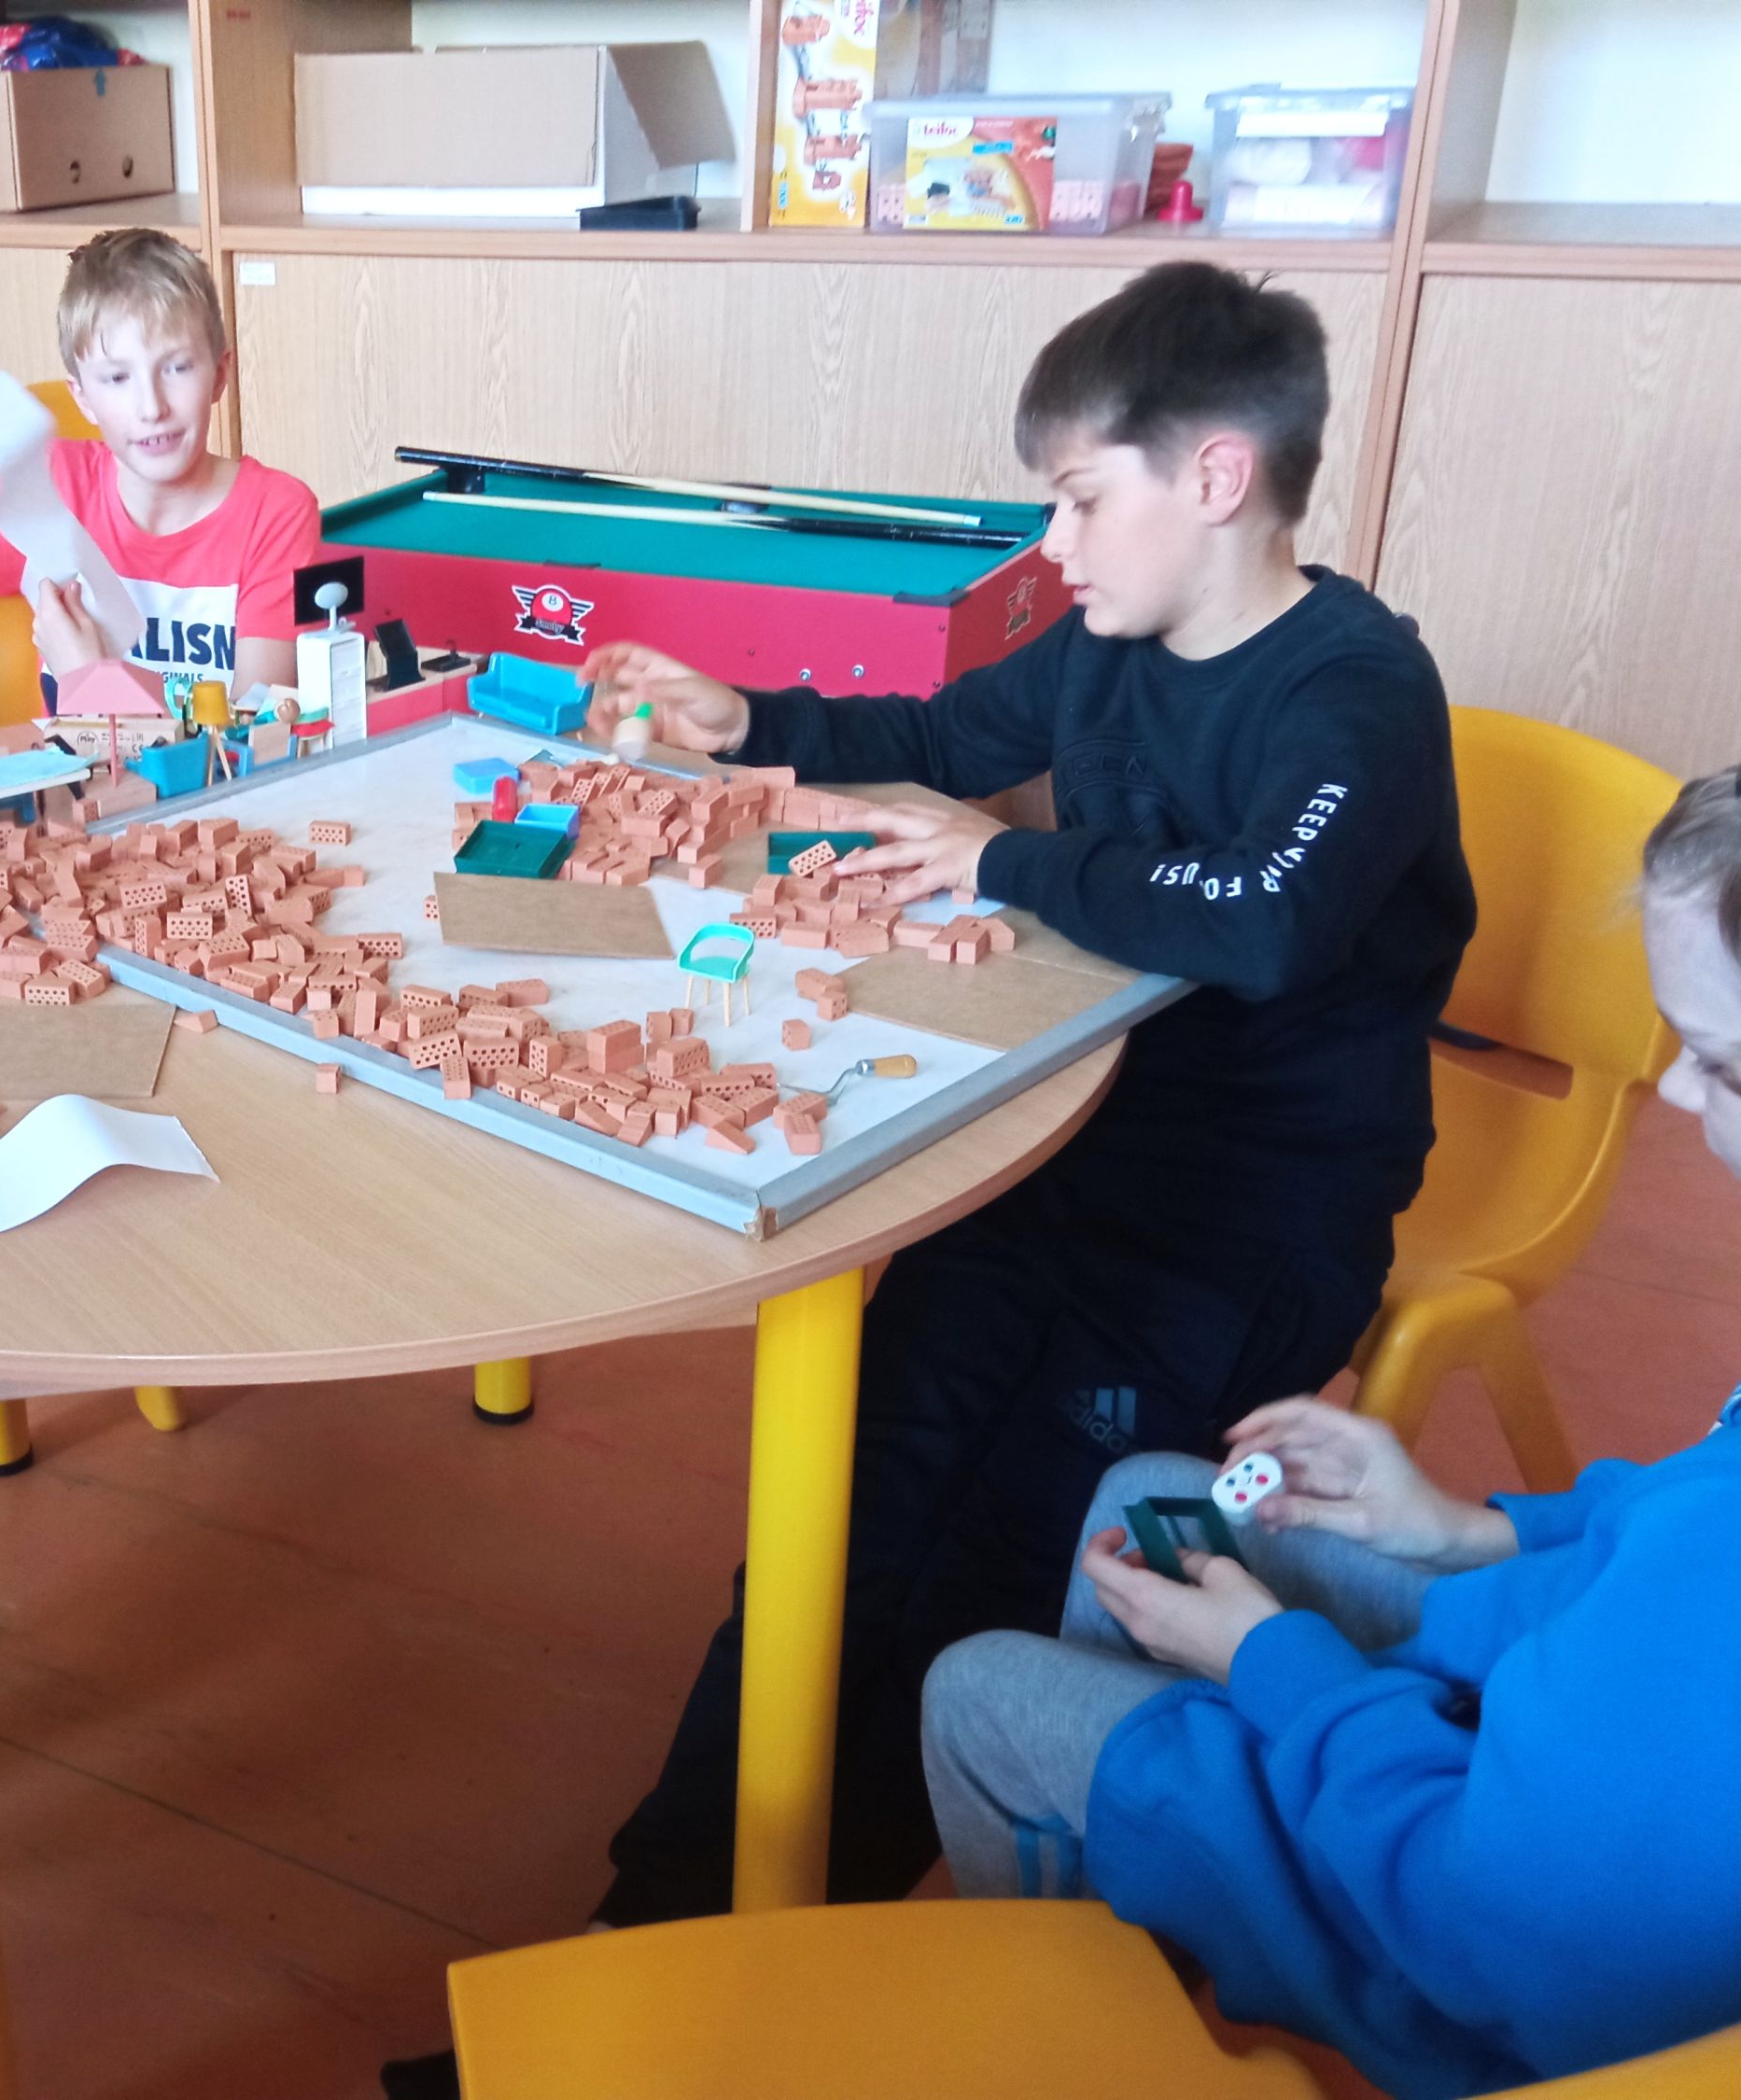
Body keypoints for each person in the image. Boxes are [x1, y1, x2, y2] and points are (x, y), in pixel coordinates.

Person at [579, 260, 1480, 1922]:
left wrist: (1009, 862)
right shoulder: (1105, 645)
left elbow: (1266, 915)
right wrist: (750, 714)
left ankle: (788, 1941)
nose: (1050, 545)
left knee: (994, 1575)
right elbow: (940, 734)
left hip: (1248, 1225)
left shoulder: (1354, 689)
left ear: (1216, 477)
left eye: (1077, 499)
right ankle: (659, 1923)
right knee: (839, 1522)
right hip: (1061, 1144)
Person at [921, 764, 1741, 2099]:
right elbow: (1676, 1518)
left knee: (977, 1692)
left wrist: (1272, 1665)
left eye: (1719, 1062)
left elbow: (1484, 1919)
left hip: (1479, 1961)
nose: (1682, 1102)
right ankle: (1146, 1921)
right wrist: (1468, 1530)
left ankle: (1074, 2033)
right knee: (1153, 1492)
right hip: (1540, 1748)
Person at [0, 226, 322, 703]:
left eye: (176, 368)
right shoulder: (48, 489)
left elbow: (252, 739)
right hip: (62, 765)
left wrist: (89, 679)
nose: (152, 407)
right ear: (82, 397)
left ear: (219, 374)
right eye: (117, 378)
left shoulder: (275, 512)